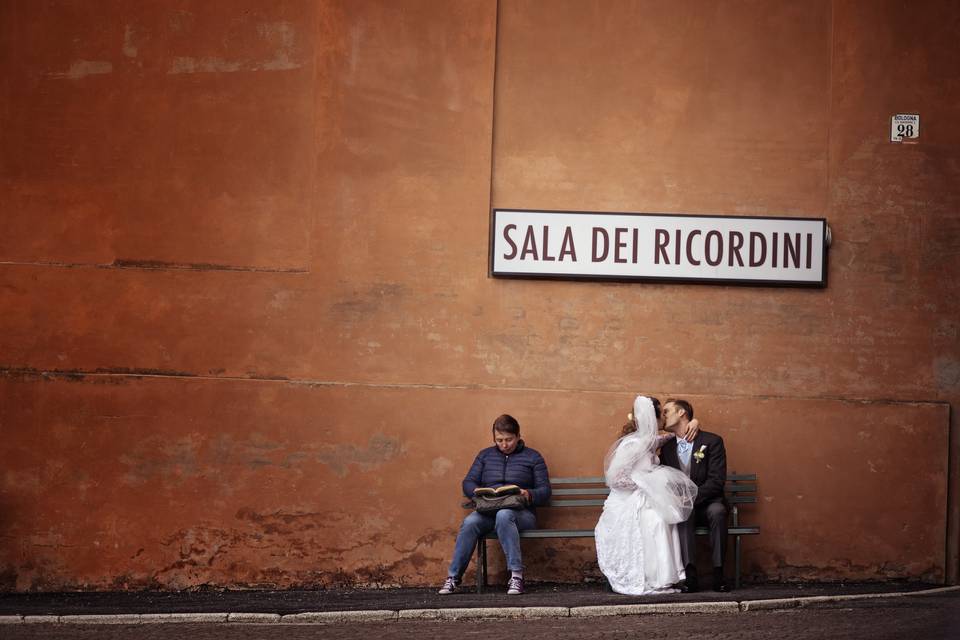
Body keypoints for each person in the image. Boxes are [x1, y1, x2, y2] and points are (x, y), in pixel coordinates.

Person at [595, 395, 699, 595]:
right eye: (662, 414)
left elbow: (670, 436)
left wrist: (694, 421)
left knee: (663, 516)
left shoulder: (650, 440)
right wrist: (645, 484)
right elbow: (615, 478)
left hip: (647, 495)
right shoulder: (635, 444)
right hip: (630, 498)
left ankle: (667, 576)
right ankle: (652, 577)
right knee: (657, 519)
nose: (664, 418)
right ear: (654, 418)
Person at [438, 414, 551, 596]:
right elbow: (468, 482)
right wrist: (475, 491)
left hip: (522, 514)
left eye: (509, 440)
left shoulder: (533, 457)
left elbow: (545, 491)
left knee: (504, 515)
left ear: (518, 436)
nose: (504, 445)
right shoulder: (485, 456)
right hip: (489, 511)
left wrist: (528, 493)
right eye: (499, 440)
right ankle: (453, 577)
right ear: (494, 438)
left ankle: (516, 576)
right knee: (470, 523)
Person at [659, 398, 730, 592]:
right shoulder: (666, 448)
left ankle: (719, 574)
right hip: (684, 505)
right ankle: (690, 576)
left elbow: (716, 481)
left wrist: (690, 498)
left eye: (667, 411)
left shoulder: (712, 441)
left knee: (718, 512)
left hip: (709, 502)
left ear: (681, 413)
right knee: (682, 514)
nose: (663, 415)